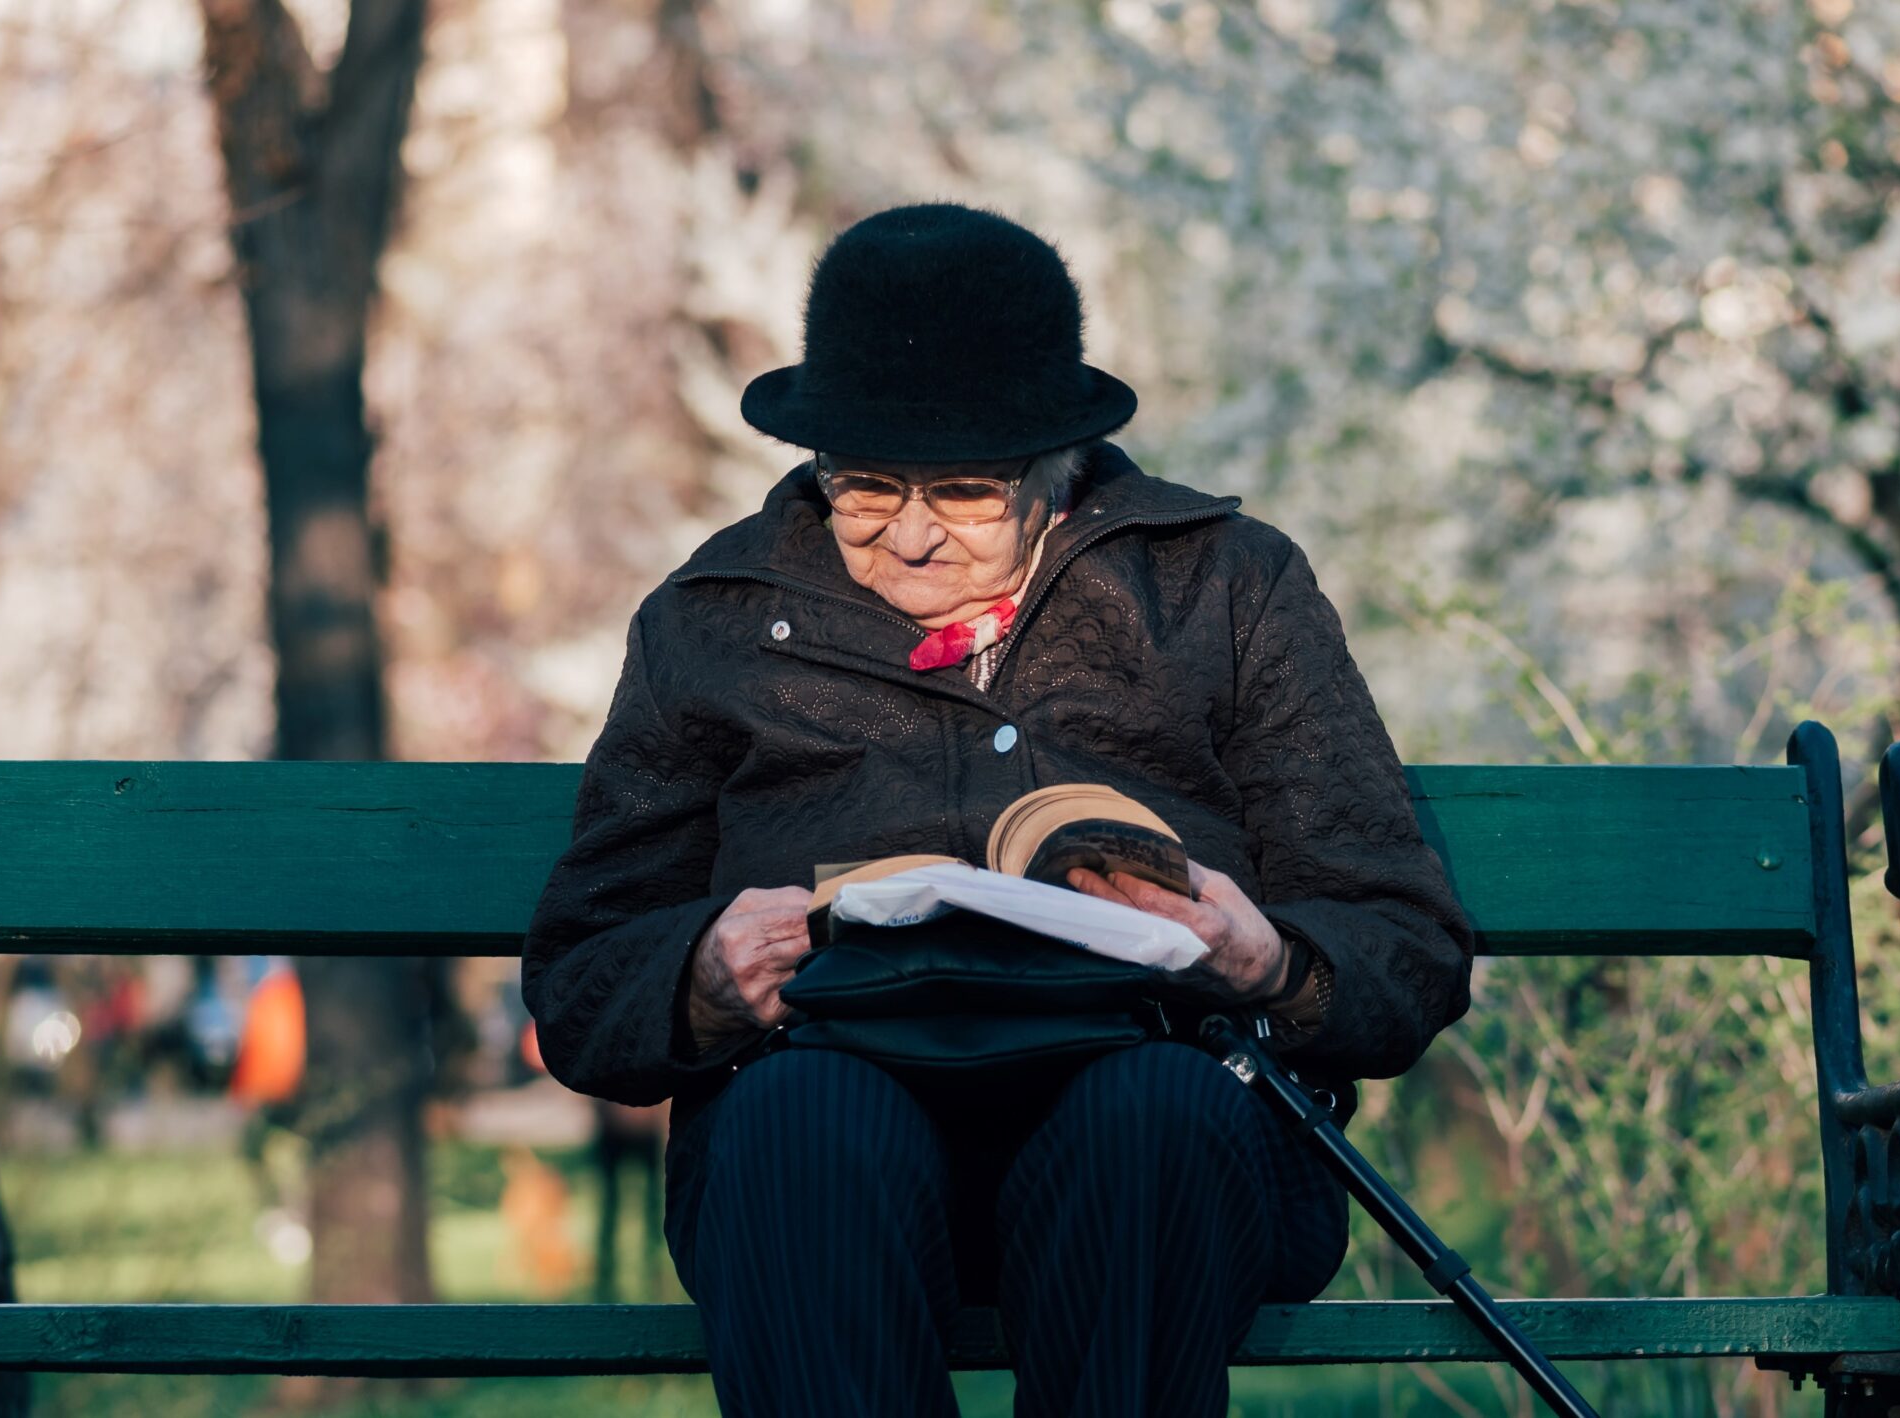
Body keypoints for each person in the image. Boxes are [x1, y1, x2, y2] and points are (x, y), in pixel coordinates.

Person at [524, 203, 1474, 1417]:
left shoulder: (1225, 585)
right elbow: (583, 976)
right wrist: (699, 976)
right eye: (864, 486)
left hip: (1154, 1123)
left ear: (1056, 465)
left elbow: (1405, 939)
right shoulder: (710, 616)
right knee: (798, 1129)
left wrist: (1267, 958)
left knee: (1152, 1120)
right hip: (830, 1125)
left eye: (965, 493)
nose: (910, 537)